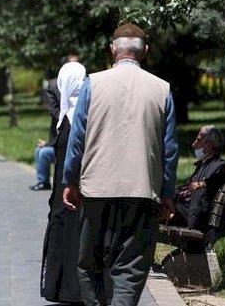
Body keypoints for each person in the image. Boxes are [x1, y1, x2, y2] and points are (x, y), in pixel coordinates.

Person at [62, 23, 179, 306]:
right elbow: (170, 150)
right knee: (131, 267)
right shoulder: (162, 89)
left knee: (90, 264)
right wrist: (167, 193)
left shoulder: (93, 83)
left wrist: (70, 181)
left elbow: (77, 139)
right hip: (142, 192)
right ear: (146, 52)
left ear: (113, 50)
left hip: (96, 190)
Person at [40, 61, 86, 304]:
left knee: (69, 239)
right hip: (74, 190)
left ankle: (67, 289)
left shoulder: (72, 119)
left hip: (70, 191)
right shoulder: (80, 114)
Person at [170, 125, 225, 232]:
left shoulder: (219, 165)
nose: (193, 145)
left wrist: (205, 183)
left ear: (209, 145)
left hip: (191, 218)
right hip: (184, 210)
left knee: (152, 206)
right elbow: (185, 189)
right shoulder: (203, 165)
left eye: (198, 140)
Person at [32, 55, 80, 191]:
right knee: (39, 151)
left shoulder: (86, 85)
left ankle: (48, 181)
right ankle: (44, 181)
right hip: (58, 139)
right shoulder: (54, 85)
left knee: (43, 153)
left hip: (69, 144)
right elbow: (52, 109)